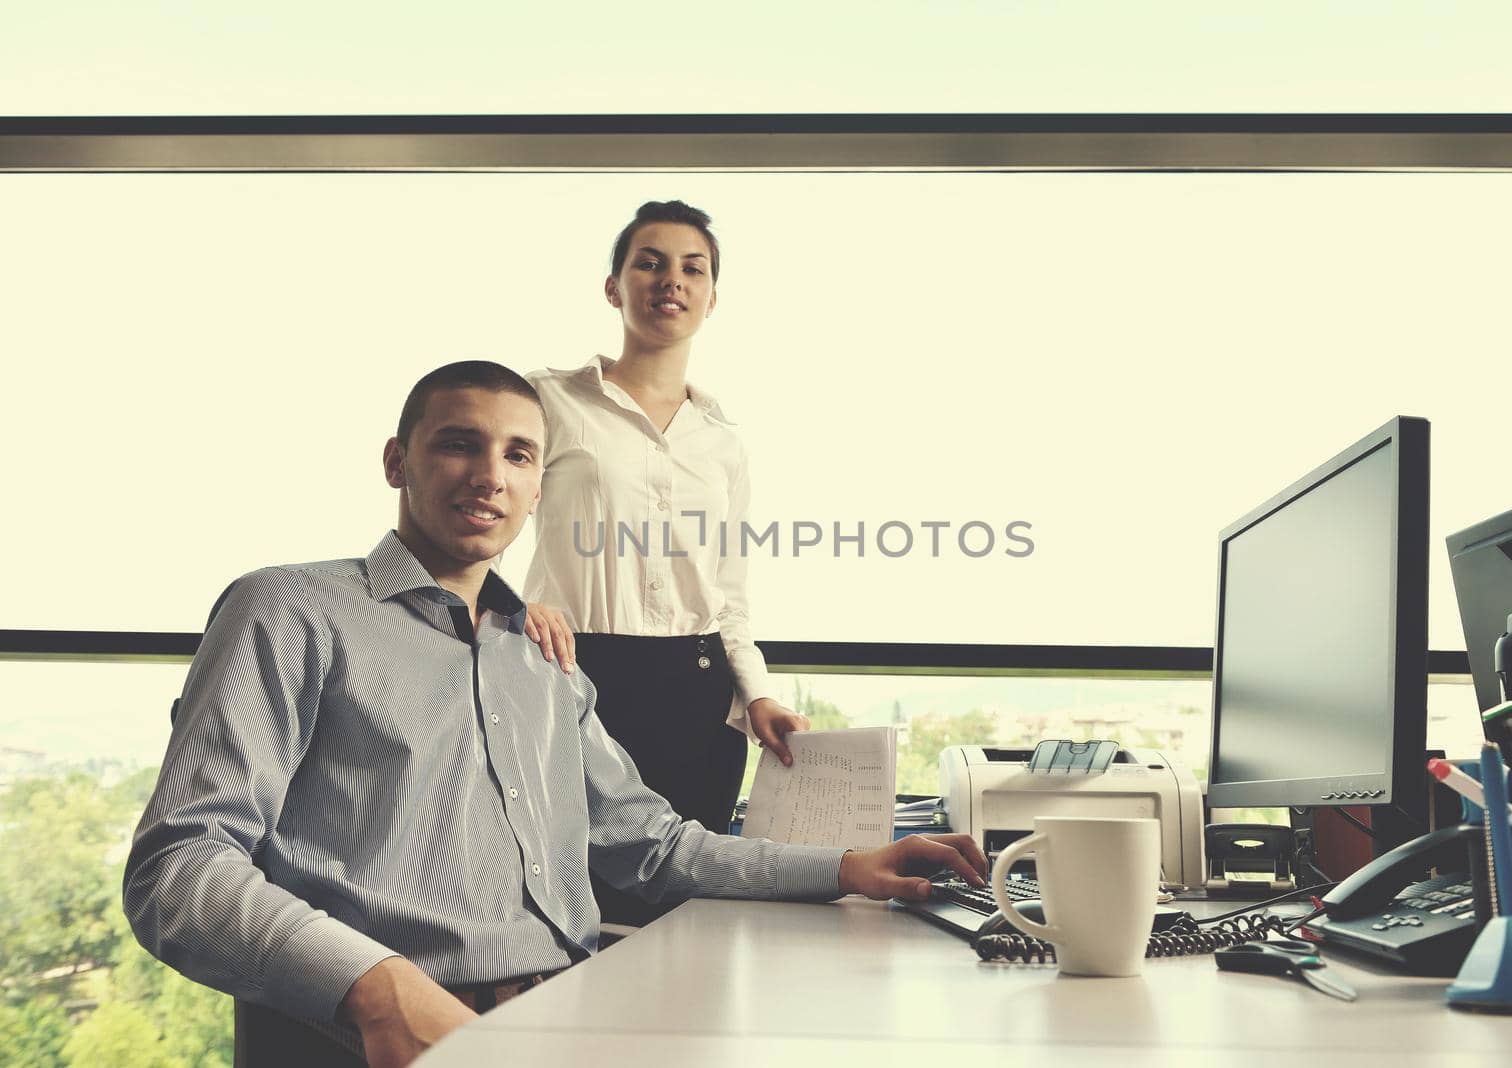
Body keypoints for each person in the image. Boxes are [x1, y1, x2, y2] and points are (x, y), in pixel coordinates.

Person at [123, 360, 987, 1068]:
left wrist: (847, 866)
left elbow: (653, 847)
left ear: (540, 486)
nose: (490, 475)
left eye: (520, 456)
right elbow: (180, 866)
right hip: (374, 1037)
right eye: (459, 445)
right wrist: (378, 989)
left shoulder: (543, 655)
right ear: (397, 461)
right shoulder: (289, 609)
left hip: (571, 1021)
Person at [519, 202, 807, 922]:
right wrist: (506, 603)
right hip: (573, 676)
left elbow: (728, 593)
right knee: (570, 904)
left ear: (712, 297)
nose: (669, 280)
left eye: (692, 267)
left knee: (687, 913)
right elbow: (481, 516)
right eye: (648, 262)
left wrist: (758, 694)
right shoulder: (547, 400)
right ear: (613, 286)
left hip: (700, 692)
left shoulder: (723, 442)